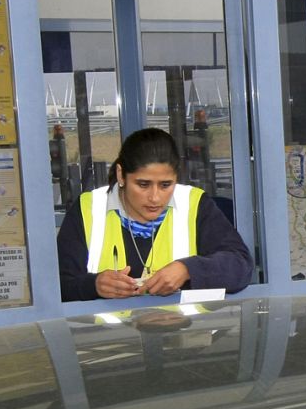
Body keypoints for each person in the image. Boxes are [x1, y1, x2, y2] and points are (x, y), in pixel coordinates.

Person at [56, 127, 252, 301]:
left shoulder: (195, 204)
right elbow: (57, 285)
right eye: (143, 184)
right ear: (120, 175)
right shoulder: (88, 208)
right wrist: (94, 285)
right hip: (108, 340)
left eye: (166, 185)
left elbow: (240, 266)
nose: (155, 197)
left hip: (182, 337)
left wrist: (188, 269)